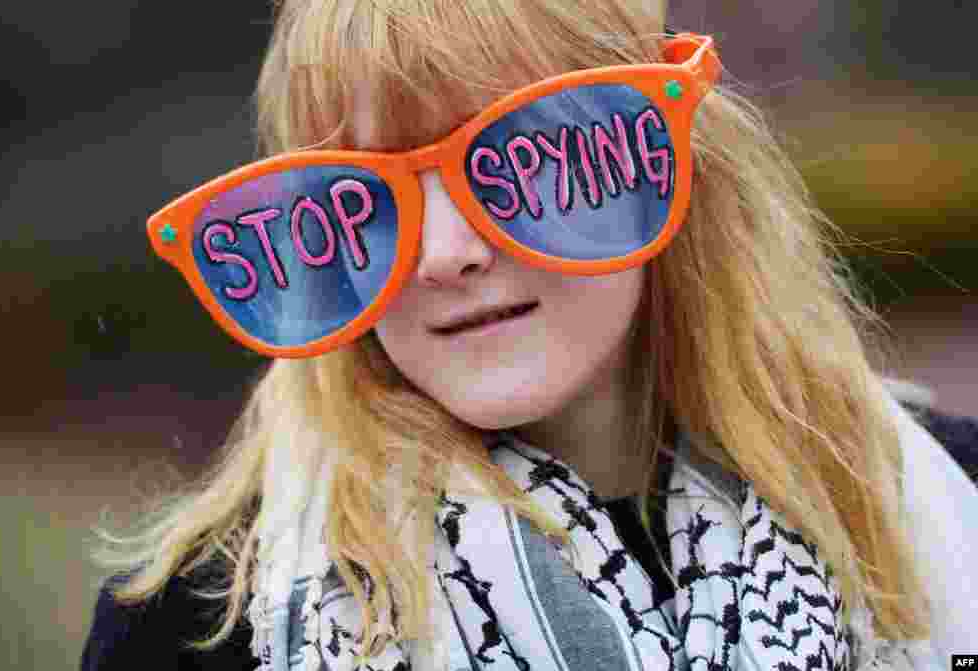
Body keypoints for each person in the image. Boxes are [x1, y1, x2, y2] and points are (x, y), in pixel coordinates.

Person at [81, 1, 978, 669]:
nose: (445, 253)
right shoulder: (192, 628)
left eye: (523, 159)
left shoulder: (945, 499)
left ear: (668, 164)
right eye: (363, 201)